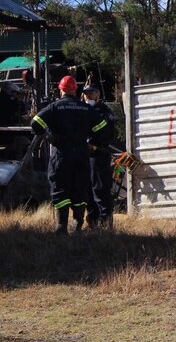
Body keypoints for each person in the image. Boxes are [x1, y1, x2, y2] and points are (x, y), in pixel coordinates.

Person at [31, 75, 109, 235]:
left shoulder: (54, 107)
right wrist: (92, 143)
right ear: (75, 90)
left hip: (61, 155)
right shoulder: (87, 109)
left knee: (60, 188)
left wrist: (48, 136)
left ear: (61, 90)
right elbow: (103, 129)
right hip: (82, 155)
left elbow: (35, 123)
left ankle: (61, 226)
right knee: (79, 189)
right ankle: (78, 225)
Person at [82, 84, 116, 229]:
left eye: (92, 93)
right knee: (87, 191)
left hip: (99, 155)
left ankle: (106, 223)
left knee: (100, 190)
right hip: (84, 157)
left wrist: (93, 143)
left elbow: (107, 132)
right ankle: (92, 222)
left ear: (98, 94)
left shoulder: (104, 111)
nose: (89, 96)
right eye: (86, 93)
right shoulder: (81, 110)